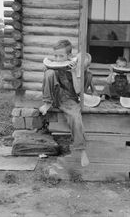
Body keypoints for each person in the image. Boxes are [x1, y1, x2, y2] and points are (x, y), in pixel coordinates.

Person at [39, 39, 90, 167]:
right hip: (55, 97)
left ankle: (82, 150)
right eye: (55, 55)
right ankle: (47, 103)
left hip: (69, 99)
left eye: (61, 56)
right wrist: (45, 71)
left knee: (76, 118)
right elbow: (47, 83)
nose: (57, 59)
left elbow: (78, 91)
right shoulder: (52, 68)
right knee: (49, 72)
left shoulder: (75, 67)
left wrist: (73, 72)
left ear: (69, 56)